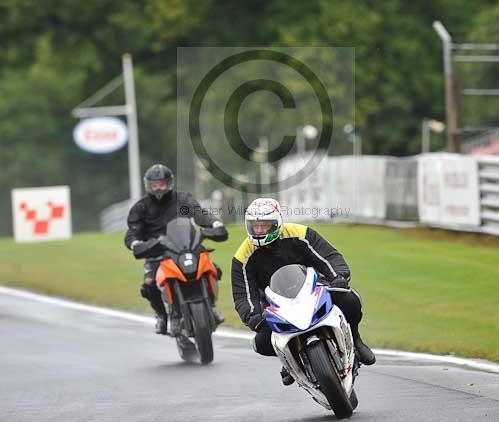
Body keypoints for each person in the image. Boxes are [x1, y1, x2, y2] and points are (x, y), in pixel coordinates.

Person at [231, 197, 375, 385]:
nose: (260, 230)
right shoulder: (243, 255)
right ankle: (289, 360)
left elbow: (328, 255)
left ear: (277, 223)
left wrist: (338, 276)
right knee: (261, 343)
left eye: (265, 225)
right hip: (275, 304)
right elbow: (243, 293)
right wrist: (252, 316)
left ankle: (355, 339)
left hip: (313, 288)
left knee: (350, 300)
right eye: (255, 226)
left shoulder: (299, 233)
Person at [125, 164, 228, 334]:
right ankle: (162, 316)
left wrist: (214, 224)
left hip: (187, 247)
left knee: (212, 269)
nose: (159, 187)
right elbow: (133, 232)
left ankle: (212, 306)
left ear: (169, 183)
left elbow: (200, 214)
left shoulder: (183, 200)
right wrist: (136, 243)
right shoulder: (141, 208)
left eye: (162, 183)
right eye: (155, 184)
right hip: (156, 253)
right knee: (149, 284)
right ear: (148, 185)